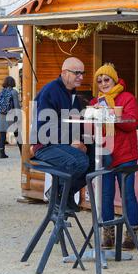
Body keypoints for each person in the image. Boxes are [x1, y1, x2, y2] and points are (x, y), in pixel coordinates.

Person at [89, 63, 138, 250]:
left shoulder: (127, 98)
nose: (103, 83)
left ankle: (131, 234)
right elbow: (90, 125)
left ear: (114, 79)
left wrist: (110, 115)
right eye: (99, 80)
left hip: (125, 154)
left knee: (127, 195)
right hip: (105, 154)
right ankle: (107, 233)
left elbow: (131, 123)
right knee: (106, 194)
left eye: (106, 79)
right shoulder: (96, 102)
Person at [31, 57, 89, 212]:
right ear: (64, 73)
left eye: (83, 73)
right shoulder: (51, 91)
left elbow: (75, 123)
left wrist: (80, 140)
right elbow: (45, 127)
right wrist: (72, 141)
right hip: (44, 144)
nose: (81, 77)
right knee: (79, 161)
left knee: (99, 160)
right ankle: (57, 195)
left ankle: (65, 195)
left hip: (61, 143)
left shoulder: (73, 94)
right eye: (77, 73)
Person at [0, 76, 20, 159]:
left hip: (2, 116)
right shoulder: (14, 92)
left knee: (2, 135)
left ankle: (1, 153)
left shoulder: (0, 92)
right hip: (11, 116)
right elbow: (16, 105)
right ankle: (22, 152)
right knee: (17, 133)